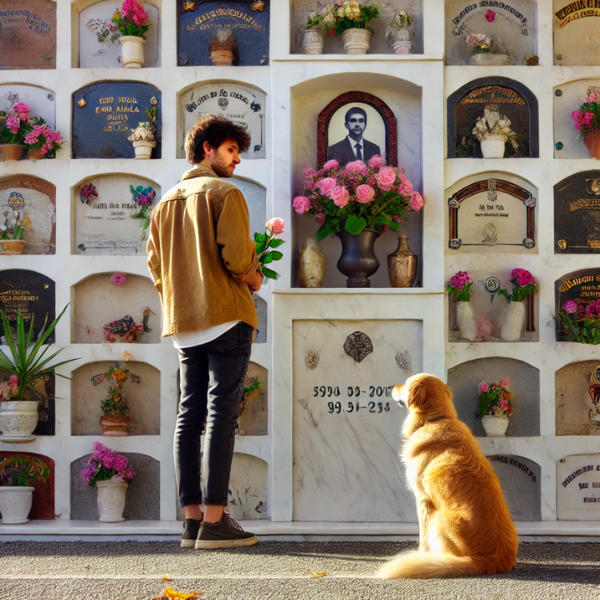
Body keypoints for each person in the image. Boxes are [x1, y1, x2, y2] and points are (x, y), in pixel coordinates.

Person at [147, 115, 262, 550]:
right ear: (209, 147)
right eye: (232, 151)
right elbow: (236, 256)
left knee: (188, 417)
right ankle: (216, 522)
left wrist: (180, 296)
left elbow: (156, 267)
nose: (237, 161)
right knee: (221, 417)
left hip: (185, 324)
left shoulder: (165, 203)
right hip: (226, 317)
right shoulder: (224, 192)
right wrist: (252, 276)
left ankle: (191, 522)